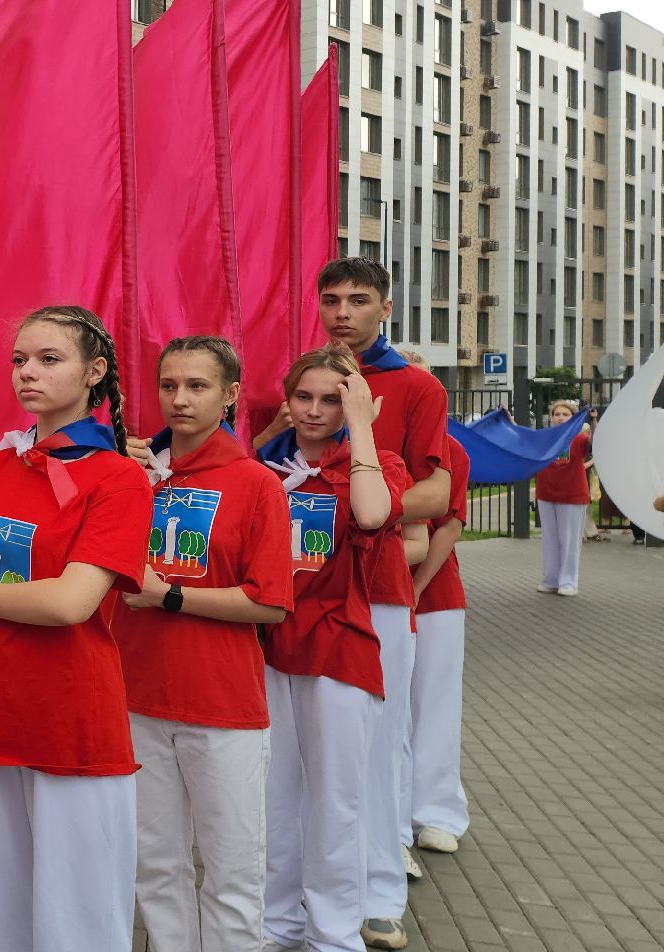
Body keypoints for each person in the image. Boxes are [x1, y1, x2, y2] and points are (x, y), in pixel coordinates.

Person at [0, 305, 151, 952]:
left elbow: (71, 602)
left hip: (70, 717)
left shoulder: (118, 477)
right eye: (19, 360)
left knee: (77, 922)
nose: (27, 372)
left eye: (48, 359)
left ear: (95, 372)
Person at [117, 336, 292, 952]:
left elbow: (270, 601)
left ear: (230, 397)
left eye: (197, 386)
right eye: (168, 385)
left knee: (233, 876)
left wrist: (170, 595)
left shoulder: (254, 483)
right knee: (156, 869)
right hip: (137, 698)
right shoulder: (133, 476)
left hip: (224, 709)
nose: (179, 399)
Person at [301, 259, 448, 950]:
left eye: (359, 300)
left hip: (380, 588)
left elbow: (438, 495)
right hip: (299, 596)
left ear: (385, 308)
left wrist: (362, 507)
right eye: (331, 299)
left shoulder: (415, 385)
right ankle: (316, 894)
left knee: (380, 747)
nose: (342, 313)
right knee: (308, 759)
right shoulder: (305, 378)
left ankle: (382, 891)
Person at [256, 348, 411, 952]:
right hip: (268, 647)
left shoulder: (375, 464)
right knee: (273, 797)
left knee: (337, 800)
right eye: (304, 397)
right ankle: (277, 926)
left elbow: (372, 517)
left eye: (331, 399)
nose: (315, 411)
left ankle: (334, 935)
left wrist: (364, 428)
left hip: (339, 650)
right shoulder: (265, 468)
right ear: (287, 399)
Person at [410, 436, 471, 857]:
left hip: (434, 596)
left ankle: (437, 812)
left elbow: (451, 525)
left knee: (435, 704)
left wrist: (415, 589)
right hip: (368, 596)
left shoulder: (452, 450)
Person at [534, 400, 591, 596]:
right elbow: (522, 439)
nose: (560, 418)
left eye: (565, 414)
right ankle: (551, 579)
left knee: (569, 540)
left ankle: (568, 581)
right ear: (551, 418)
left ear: (573, 418)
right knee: (549, 539)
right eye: (557, 414)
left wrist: (594, 420)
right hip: (546, 494)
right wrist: (507, 420)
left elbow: (594, 443)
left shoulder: (579, 438)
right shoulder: (545, 437)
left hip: (572, 495)